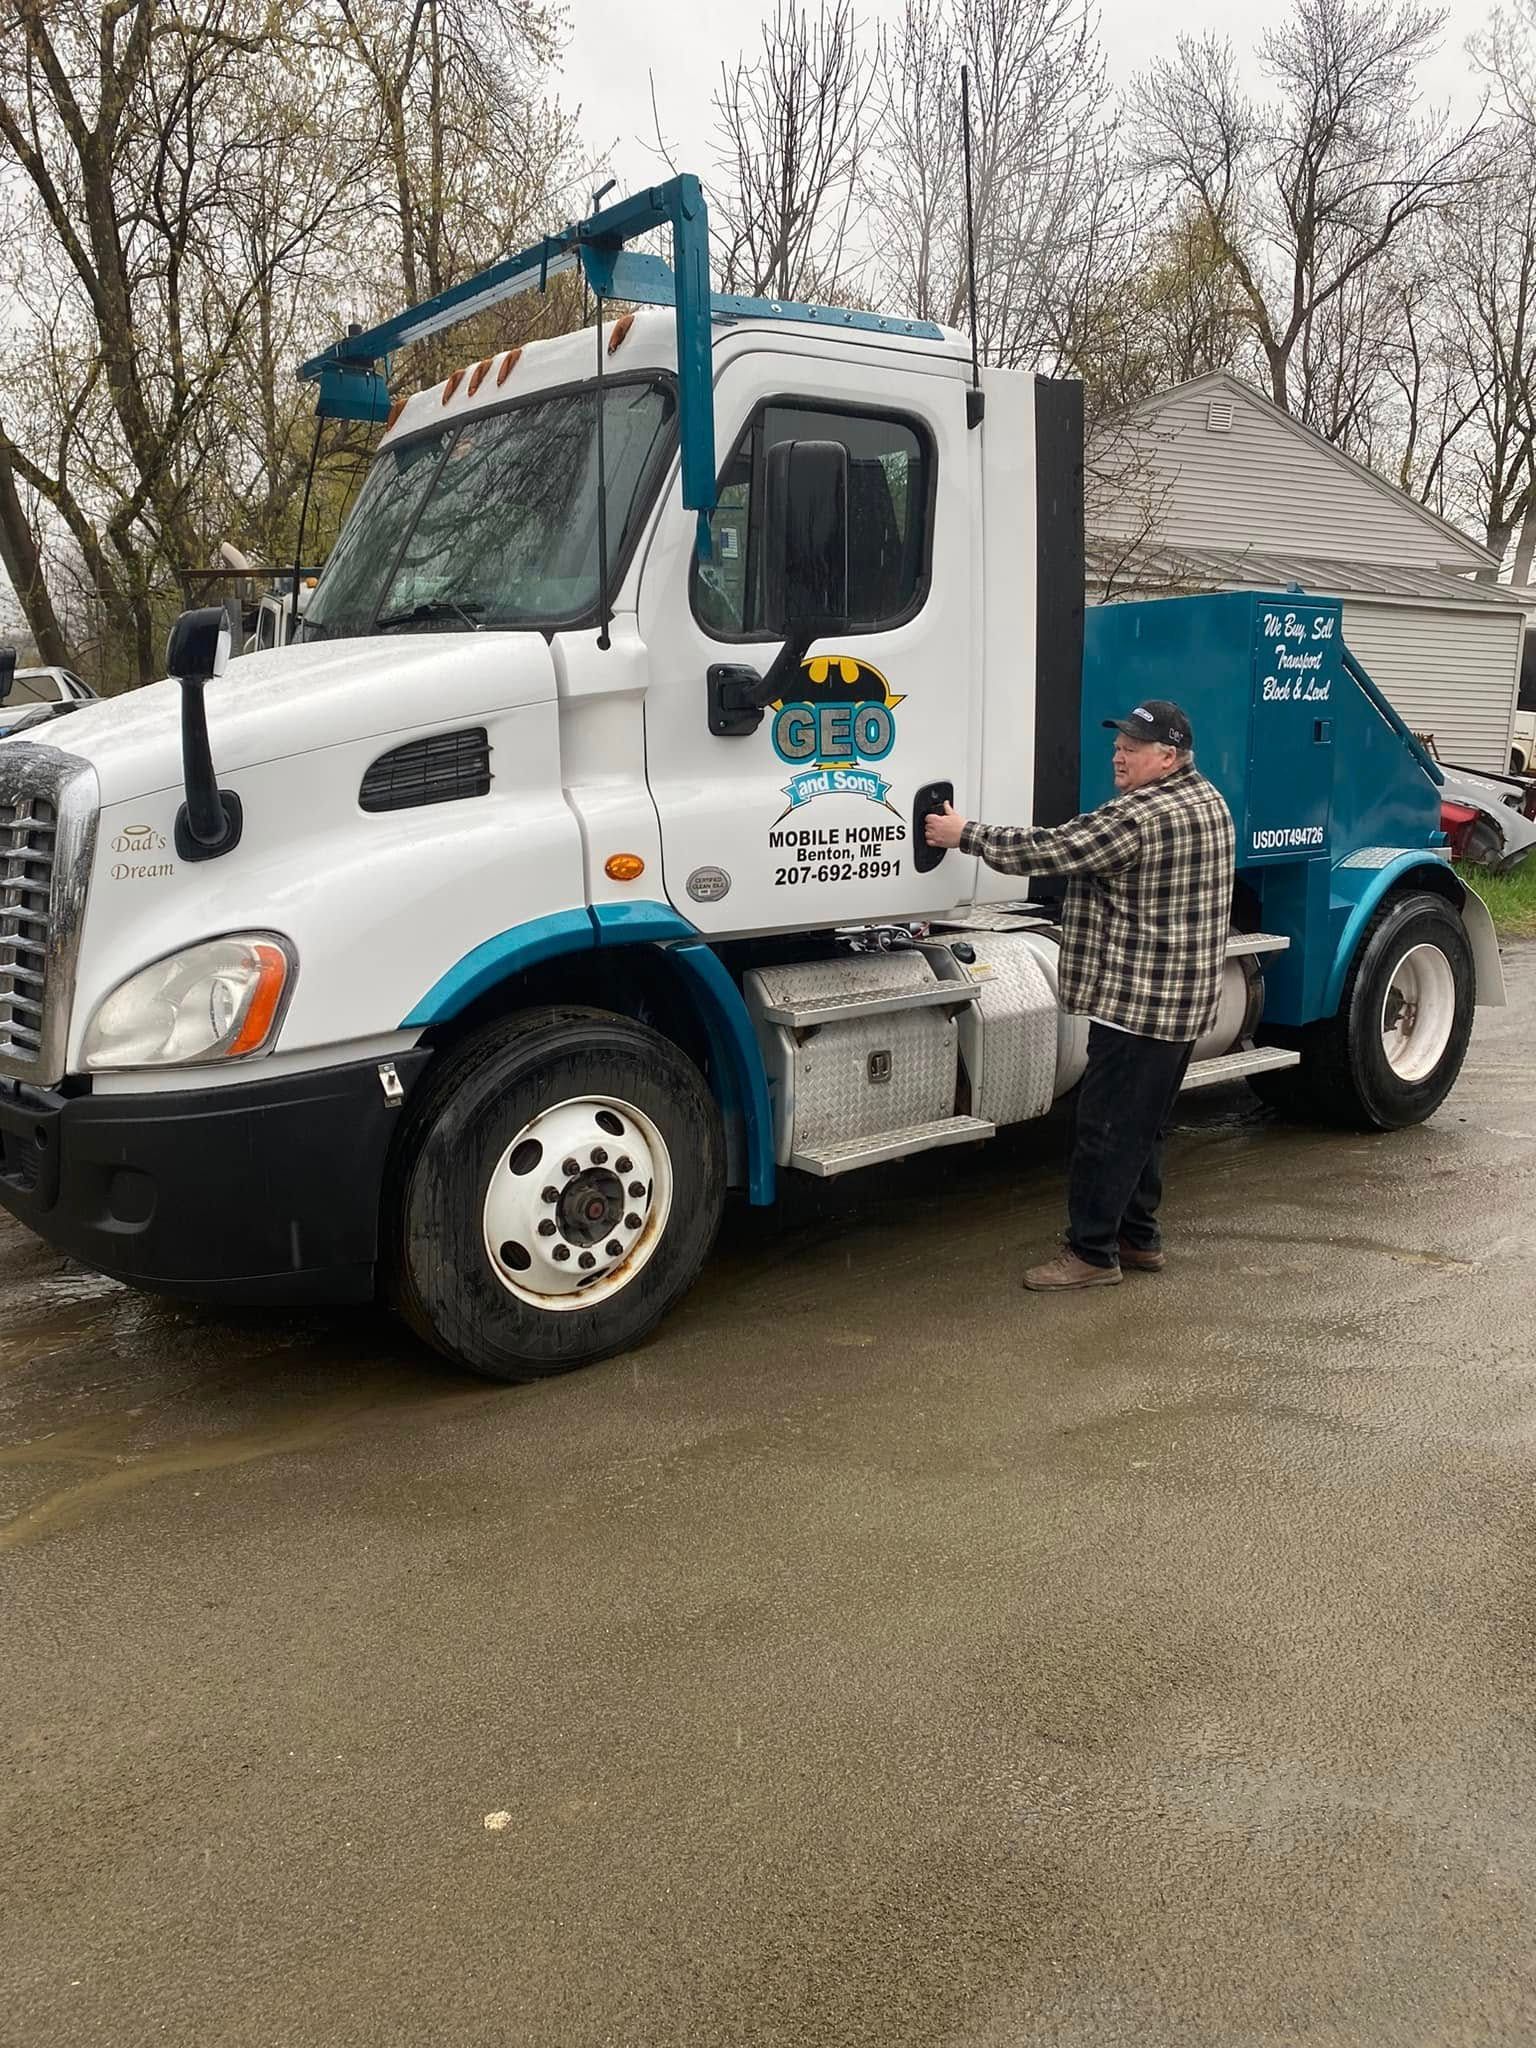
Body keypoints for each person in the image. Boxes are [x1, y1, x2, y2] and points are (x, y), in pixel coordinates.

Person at [924, 700, 1236, 1291]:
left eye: (1133, 747)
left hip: (1138, 1002)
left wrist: (962, 834)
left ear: (1167, 757)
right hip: (1183, 1001)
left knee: (1106, 1128)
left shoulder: (1139, 816)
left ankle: (1092, 1252)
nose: (1118, 754)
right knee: (1144, 1124)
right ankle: (1139, 1238)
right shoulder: (1209, 800)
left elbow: (1052, 849)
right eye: (1118, 742)